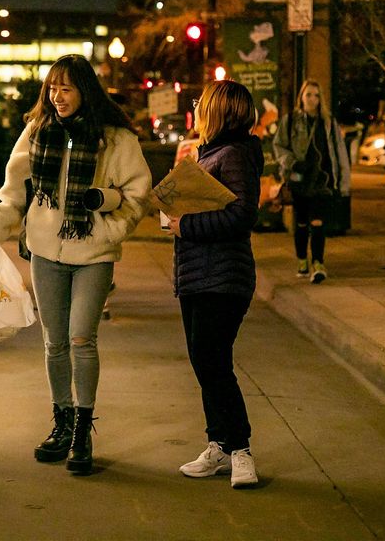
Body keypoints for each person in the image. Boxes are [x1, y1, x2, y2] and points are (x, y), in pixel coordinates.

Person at [0, 54, 150, 475]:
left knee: (80, 339)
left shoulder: (115, 139)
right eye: (52, 88)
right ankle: (62, 423)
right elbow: (15, 193)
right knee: (54, 342)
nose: (57, 96)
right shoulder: (37, 132)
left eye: (66, 88)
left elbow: (138, 193)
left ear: (84, 91)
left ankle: (83, 432)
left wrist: (112, 231)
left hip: (93, 255)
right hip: (46, 251)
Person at [168, 79, 263, 489]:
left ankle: (240, 450)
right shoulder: (209, 152)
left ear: (221, 110)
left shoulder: (236, 153)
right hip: (196, 272)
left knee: (213, 361)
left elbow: (243, 215)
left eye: (202, 103)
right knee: (204, 361)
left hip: (223, 275)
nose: (198, 108)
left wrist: (185, 224)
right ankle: (218, 445)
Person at [273, 80, 351, 284]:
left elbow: (340, 152)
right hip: (300, 180)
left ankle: (318, 263)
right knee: (300, 224)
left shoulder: (328, 122)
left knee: (318, 222)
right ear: (301, 97)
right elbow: (279, 146)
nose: (312, 99)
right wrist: (291, 162)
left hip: (322, 181)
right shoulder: (290, 121)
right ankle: (302, 260)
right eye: (308, 95)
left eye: (316, 95)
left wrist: (343, 183)